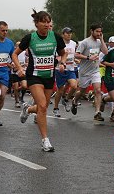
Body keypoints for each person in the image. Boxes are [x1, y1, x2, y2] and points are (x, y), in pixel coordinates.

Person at [13, 10, 67, 152]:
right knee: (42, 105)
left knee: (42, 108)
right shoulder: (30, 38)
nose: (46, 24)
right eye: (43, 21)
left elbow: (63, 53)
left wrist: (62, 63)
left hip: (49, 76)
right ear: (36, 23)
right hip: (34, 76)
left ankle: (28, 108)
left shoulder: (55, 37)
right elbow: (15, 54)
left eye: (48, 21)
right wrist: (19, 68)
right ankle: (45, 140)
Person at [71, 24, 109, 120]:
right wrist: (88, 57)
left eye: (100, 31)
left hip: (95, 71)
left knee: (98, 90)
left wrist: (102, 40)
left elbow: (105, 52)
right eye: (97, 31)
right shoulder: (85, 42)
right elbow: (76, 55)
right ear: (91, 31)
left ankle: (97, 112)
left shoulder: (99, 42)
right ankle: (74, 101)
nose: (99, 33)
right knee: (82, 92)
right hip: (84, 72)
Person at [52, 27, 78, 116]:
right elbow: (55, 57)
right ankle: (55, 108)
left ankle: (66, 99)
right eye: (67, 33)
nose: (69, 35)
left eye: (70, 33)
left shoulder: (74, 43)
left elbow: (74, 55)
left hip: (70, 69)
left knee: (74, 86)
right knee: (60, 90)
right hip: (60, 69)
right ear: (63, 34)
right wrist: (62, 60)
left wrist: (75, 60)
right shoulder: (58, 44)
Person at [11, 41, 28, 108]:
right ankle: (17, 102)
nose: (19, 46)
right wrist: (12, 66)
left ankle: (20, 95)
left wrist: (25, 64)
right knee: (15, 86)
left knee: (24, 86)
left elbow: (27, 62)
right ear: (15, 46)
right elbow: (9, 63)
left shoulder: (24, 53)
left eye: (20, 45)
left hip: (22, 72)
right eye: (17, 45)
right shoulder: (13, 53)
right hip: (14, 73)